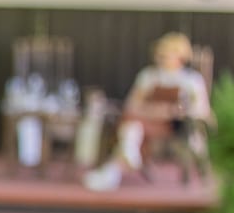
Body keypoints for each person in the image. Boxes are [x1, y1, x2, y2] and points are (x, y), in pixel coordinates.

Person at [83, 32, 214, 190]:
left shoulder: (191, 80)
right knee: (131, 123)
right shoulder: (149, 76)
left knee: (131, 126)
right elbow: (131, 104)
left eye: (166, 55)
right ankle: (125, 159)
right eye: (159, 54)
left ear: (180, 56)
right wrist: (154, 111)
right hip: (144, 122)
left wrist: (172, 112)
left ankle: (117, 166)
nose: (160, 58)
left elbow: (200, 109)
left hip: (174, 126)